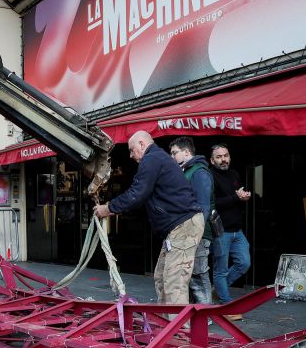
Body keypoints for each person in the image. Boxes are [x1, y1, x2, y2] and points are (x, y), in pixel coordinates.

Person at [94, 131, 204, 305]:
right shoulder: (157, 159)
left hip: (183, 225)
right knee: (161, 276)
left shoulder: (151, 159)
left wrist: (108, 208)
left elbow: (137, 194)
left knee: (174, 281)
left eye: (132, 150)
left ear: (142, 144)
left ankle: (179, 330)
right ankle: (167, 323)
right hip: (178, 227)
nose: (130, 155)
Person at [169, 136, 213, 305]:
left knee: (198, 274)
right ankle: (198, 313)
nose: (171, 157)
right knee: (191, 274)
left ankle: (205, 314)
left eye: (174, 153)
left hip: (198, 233)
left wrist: (196, 233)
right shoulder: (188, 170)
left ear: (186, 152)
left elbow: (204, 207)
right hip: (191, 232)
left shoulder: (199, 172)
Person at [209, 143, 251, 317]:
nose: (223, 159)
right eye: (218, 157)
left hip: (237, 230)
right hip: (220, 231)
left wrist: (243, 196)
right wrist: (236, 197)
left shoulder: (234, 174)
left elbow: (236, 196)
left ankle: (219, 289)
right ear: (212, 161)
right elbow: (213, 203)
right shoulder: (210, 177)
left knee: (244, 263)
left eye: (225, 155)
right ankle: (226, 307)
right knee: (220, 270)